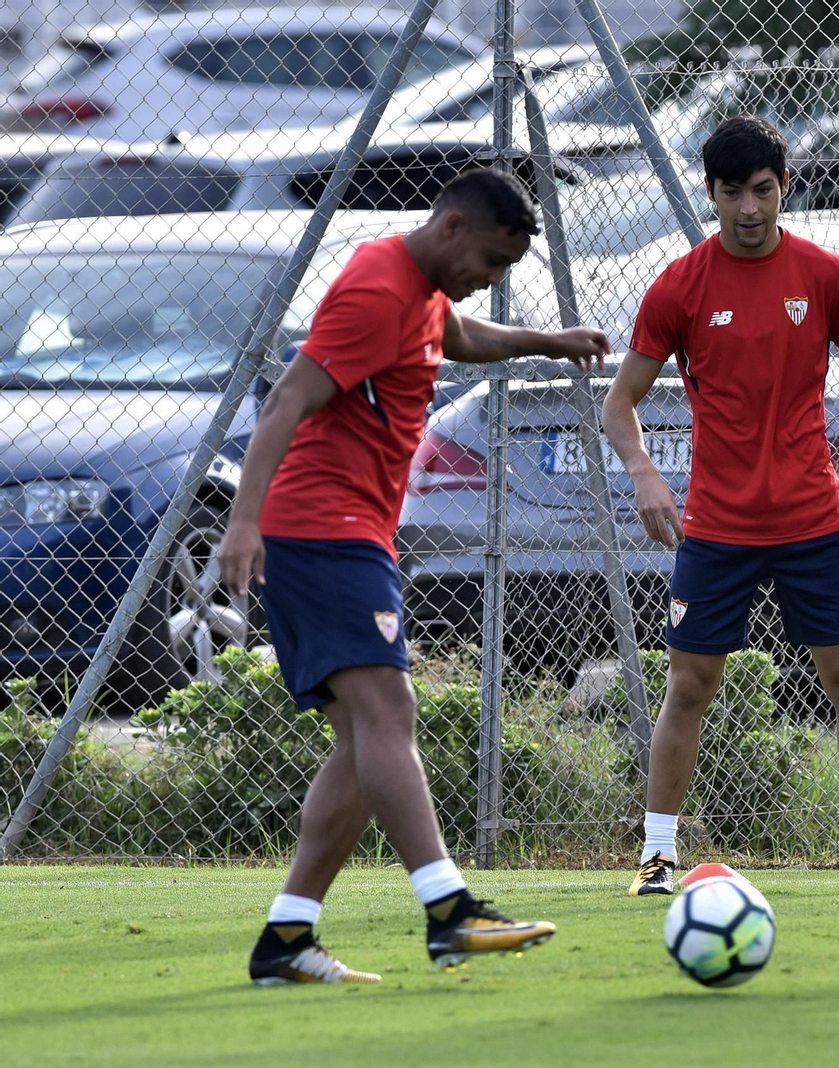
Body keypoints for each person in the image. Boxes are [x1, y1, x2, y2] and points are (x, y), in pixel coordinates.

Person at [218, 168, 611, 985]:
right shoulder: (379, 292)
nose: (491, 280)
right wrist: (243, 520)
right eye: (491, 262)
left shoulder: (421, 289)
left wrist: (550, 341)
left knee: (365, 747)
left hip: (352, 532)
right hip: (321, 531)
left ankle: (286, 939)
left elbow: (459, 337)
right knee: (389, 711)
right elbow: (287, 397)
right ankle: (449, 912)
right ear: (453, 225)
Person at [602, 116, 839, 897]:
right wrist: (644, 470)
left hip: (813, 520)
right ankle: (657, 857)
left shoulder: (824, 276)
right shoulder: (680, 286)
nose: (748, 208)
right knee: (690, 686)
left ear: (785, 188)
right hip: (716, 527)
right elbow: (621, 402)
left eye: (762, 190)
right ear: (709, 193)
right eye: (731, 192)